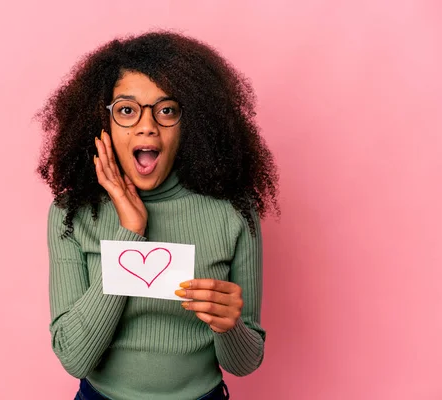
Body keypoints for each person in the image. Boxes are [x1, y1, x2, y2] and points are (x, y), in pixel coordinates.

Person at [38, 31, 278, 400]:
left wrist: (229, 327)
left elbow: (244, 363)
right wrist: (130, 232)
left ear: (191, 124)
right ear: (102, 124)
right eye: (127, 110)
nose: (147, 126)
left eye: (166, 110)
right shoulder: (72, 214)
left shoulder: (235, 212)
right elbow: (74, 357)